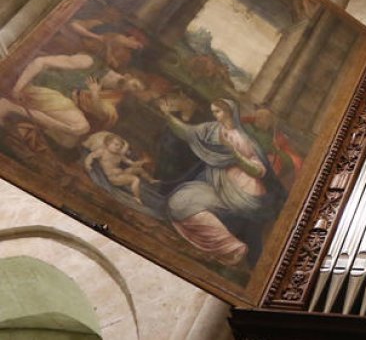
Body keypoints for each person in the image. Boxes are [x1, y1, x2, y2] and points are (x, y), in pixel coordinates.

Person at [158, 99, 275, 267]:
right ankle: (226, 245)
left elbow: (258, 170)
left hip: (239, 188)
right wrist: (168, 116)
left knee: (184, 204)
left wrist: (235, 153)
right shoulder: (211, 129)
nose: (215, 115)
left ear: (229, 113)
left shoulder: (244, 138)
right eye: (213, 112)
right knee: (177, 201)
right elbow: (187, 132)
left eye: (218, 111)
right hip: (215, 182)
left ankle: (232, 247)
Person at [0, 33, 147, 148]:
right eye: (135, 85)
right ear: (128, 76)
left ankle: (25, 121)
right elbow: (40, 62)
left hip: (57, 95)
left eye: (134, 91)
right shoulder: (89, 62)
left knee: (68, 140)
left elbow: (102, 112)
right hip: (42, 87)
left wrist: (95, 94)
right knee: (80, 127)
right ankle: (9, 107)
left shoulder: (102, 87)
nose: (130, 89)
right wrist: (18, 88)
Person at [82, 131, 156, 204]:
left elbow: (132, 164)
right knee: (135, 179)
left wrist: (143, 161)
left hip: (121, 173)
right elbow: (91, 156)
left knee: (138, 170)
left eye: (120, 147)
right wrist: (87, 164)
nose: (118, 148)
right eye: (116, 145)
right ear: (107, 143)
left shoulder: (119, 155)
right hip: (114, 178)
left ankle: (151, 180)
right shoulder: (102, 152)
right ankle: (137, 198)